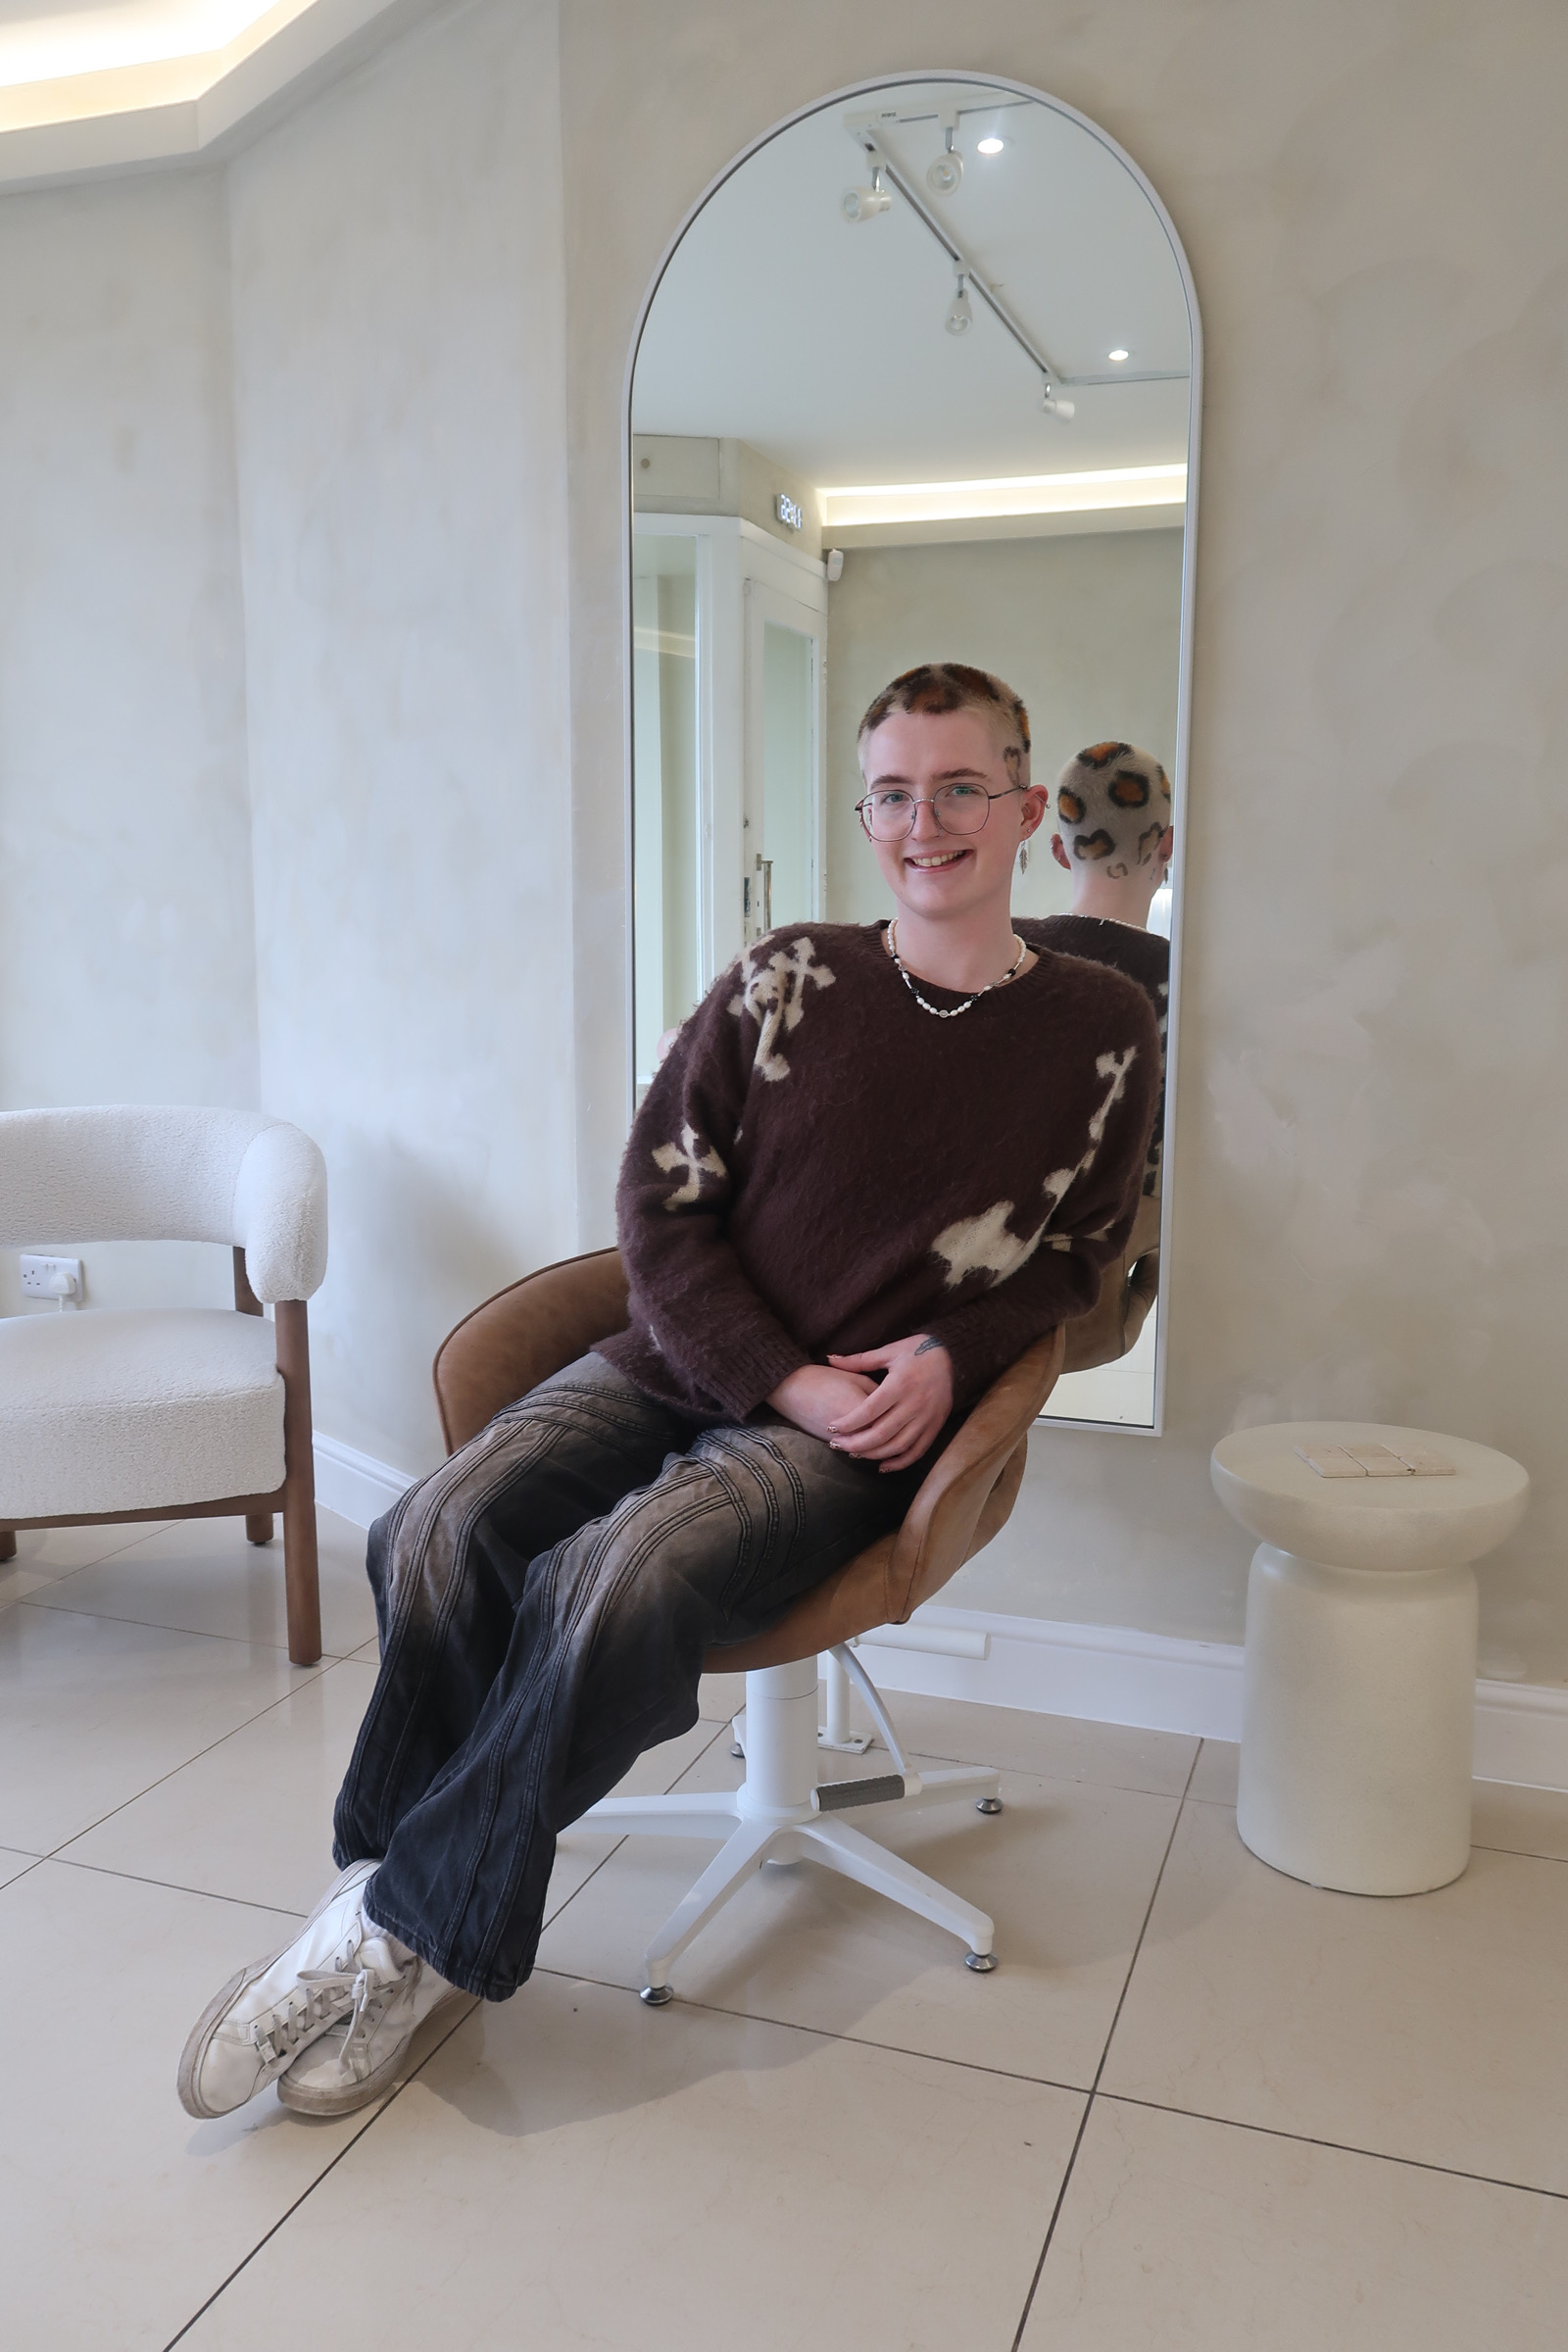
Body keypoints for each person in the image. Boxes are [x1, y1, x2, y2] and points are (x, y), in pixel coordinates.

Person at [177, 662, 1160, 2124]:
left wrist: (950, 1357)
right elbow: (657, 1203)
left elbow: (1082, 1256)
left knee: (613, 1574)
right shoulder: (786, 978)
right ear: (865, 813)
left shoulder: (1101, 1023)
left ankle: (383, 1936)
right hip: (688, 1362)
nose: (924, 823)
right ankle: (408, 1905)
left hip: (863, 1431)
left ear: (1025, 809)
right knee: (430, 1528)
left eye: (961, 788)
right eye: (893, 793)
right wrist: (775, 1373)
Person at [1017, 741, 1174, 1372]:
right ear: (1167, 846)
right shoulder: (1186, 982)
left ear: (1059, 850)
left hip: (988, 1272)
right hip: (1102, 1284)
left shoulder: (1005, 953)